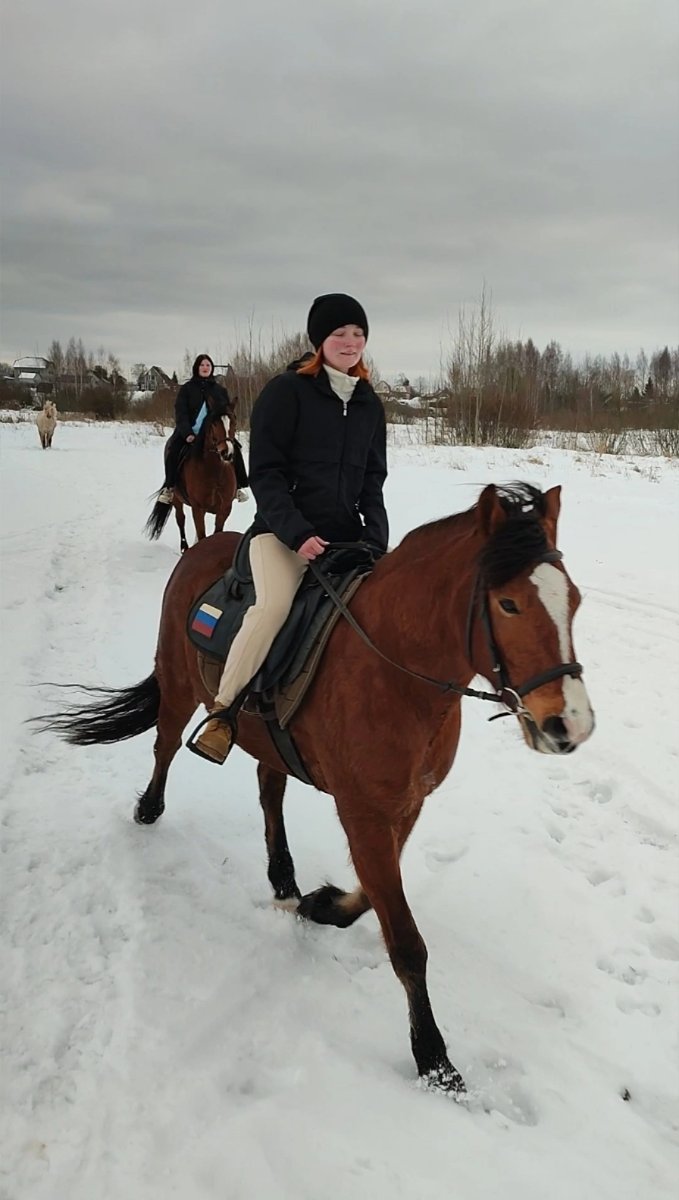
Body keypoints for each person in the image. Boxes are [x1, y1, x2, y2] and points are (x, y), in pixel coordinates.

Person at [192, 293, 388, 765]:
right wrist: (297, 533)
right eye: (340, 333)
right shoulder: (286, 392)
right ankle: (222, 714)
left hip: (347, 541)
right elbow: (267, 474)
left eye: (358, 334)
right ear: (319, 340)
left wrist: (376, 539)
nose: (351, 342)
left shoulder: (369, 404)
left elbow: (372, 480)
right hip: (281, 537)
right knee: (273, 607)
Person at [158, 354, 249, 505]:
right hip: (190, 432)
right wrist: (187, 433)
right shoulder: (187, 389)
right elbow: (181, 413)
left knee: (235, 449)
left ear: (212, 368)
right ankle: (170, 488)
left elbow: (226, 412)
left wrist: (227, 429)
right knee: (173, 450)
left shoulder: (220, 390)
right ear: (197, 368)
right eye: (202, 365)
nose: (205, 368)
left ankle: (238, 486)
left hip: (214, 433)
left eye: (208, 365)